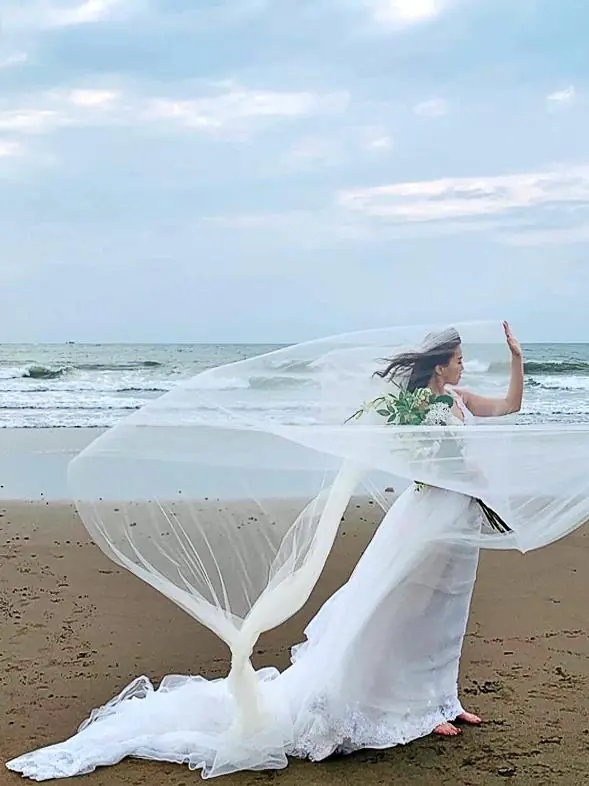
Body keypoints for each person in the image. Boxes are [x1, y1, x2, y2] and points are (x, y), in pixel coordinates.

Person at [6, 321, 525, 780]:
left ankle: (443, 700)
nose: (463, 366)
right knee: (404, 609)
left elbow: (510, 406)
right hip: (427, 516)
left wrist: (518, 360)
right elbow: (423, 464)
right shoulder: (413, 411)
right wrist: (459, 470)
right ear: (439, 365)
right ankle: (411, 708)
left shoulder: (459, 401)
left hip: (458, 516)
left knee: (446, 609)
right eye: (458, 360)